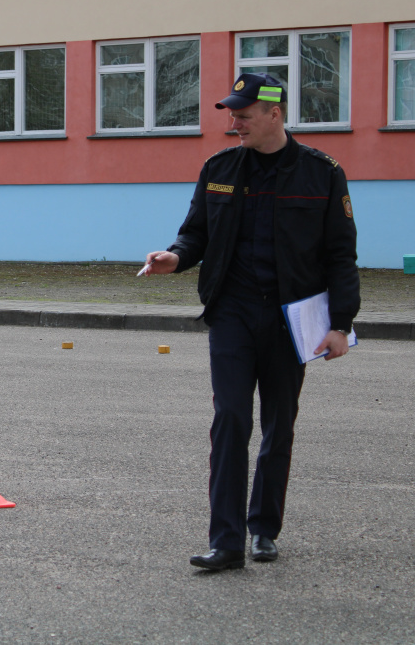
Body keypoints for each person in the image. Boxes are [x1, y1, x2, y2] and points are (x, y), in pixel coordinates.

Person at [143, 73, 359, 570]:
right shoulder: (218, 167)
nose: (234, 123)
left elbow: (341, 256)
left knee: (279, 425)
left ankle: (264, 528)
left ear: (274, 114)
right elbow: (194, 233)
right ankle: (227, 541)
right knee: (231, 418)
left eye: (242, 115)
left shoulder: (321, 173)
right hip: (233, 313)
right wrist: (175, 257)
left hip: (292, 318)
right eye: (232, 115)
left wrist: (341, 323)